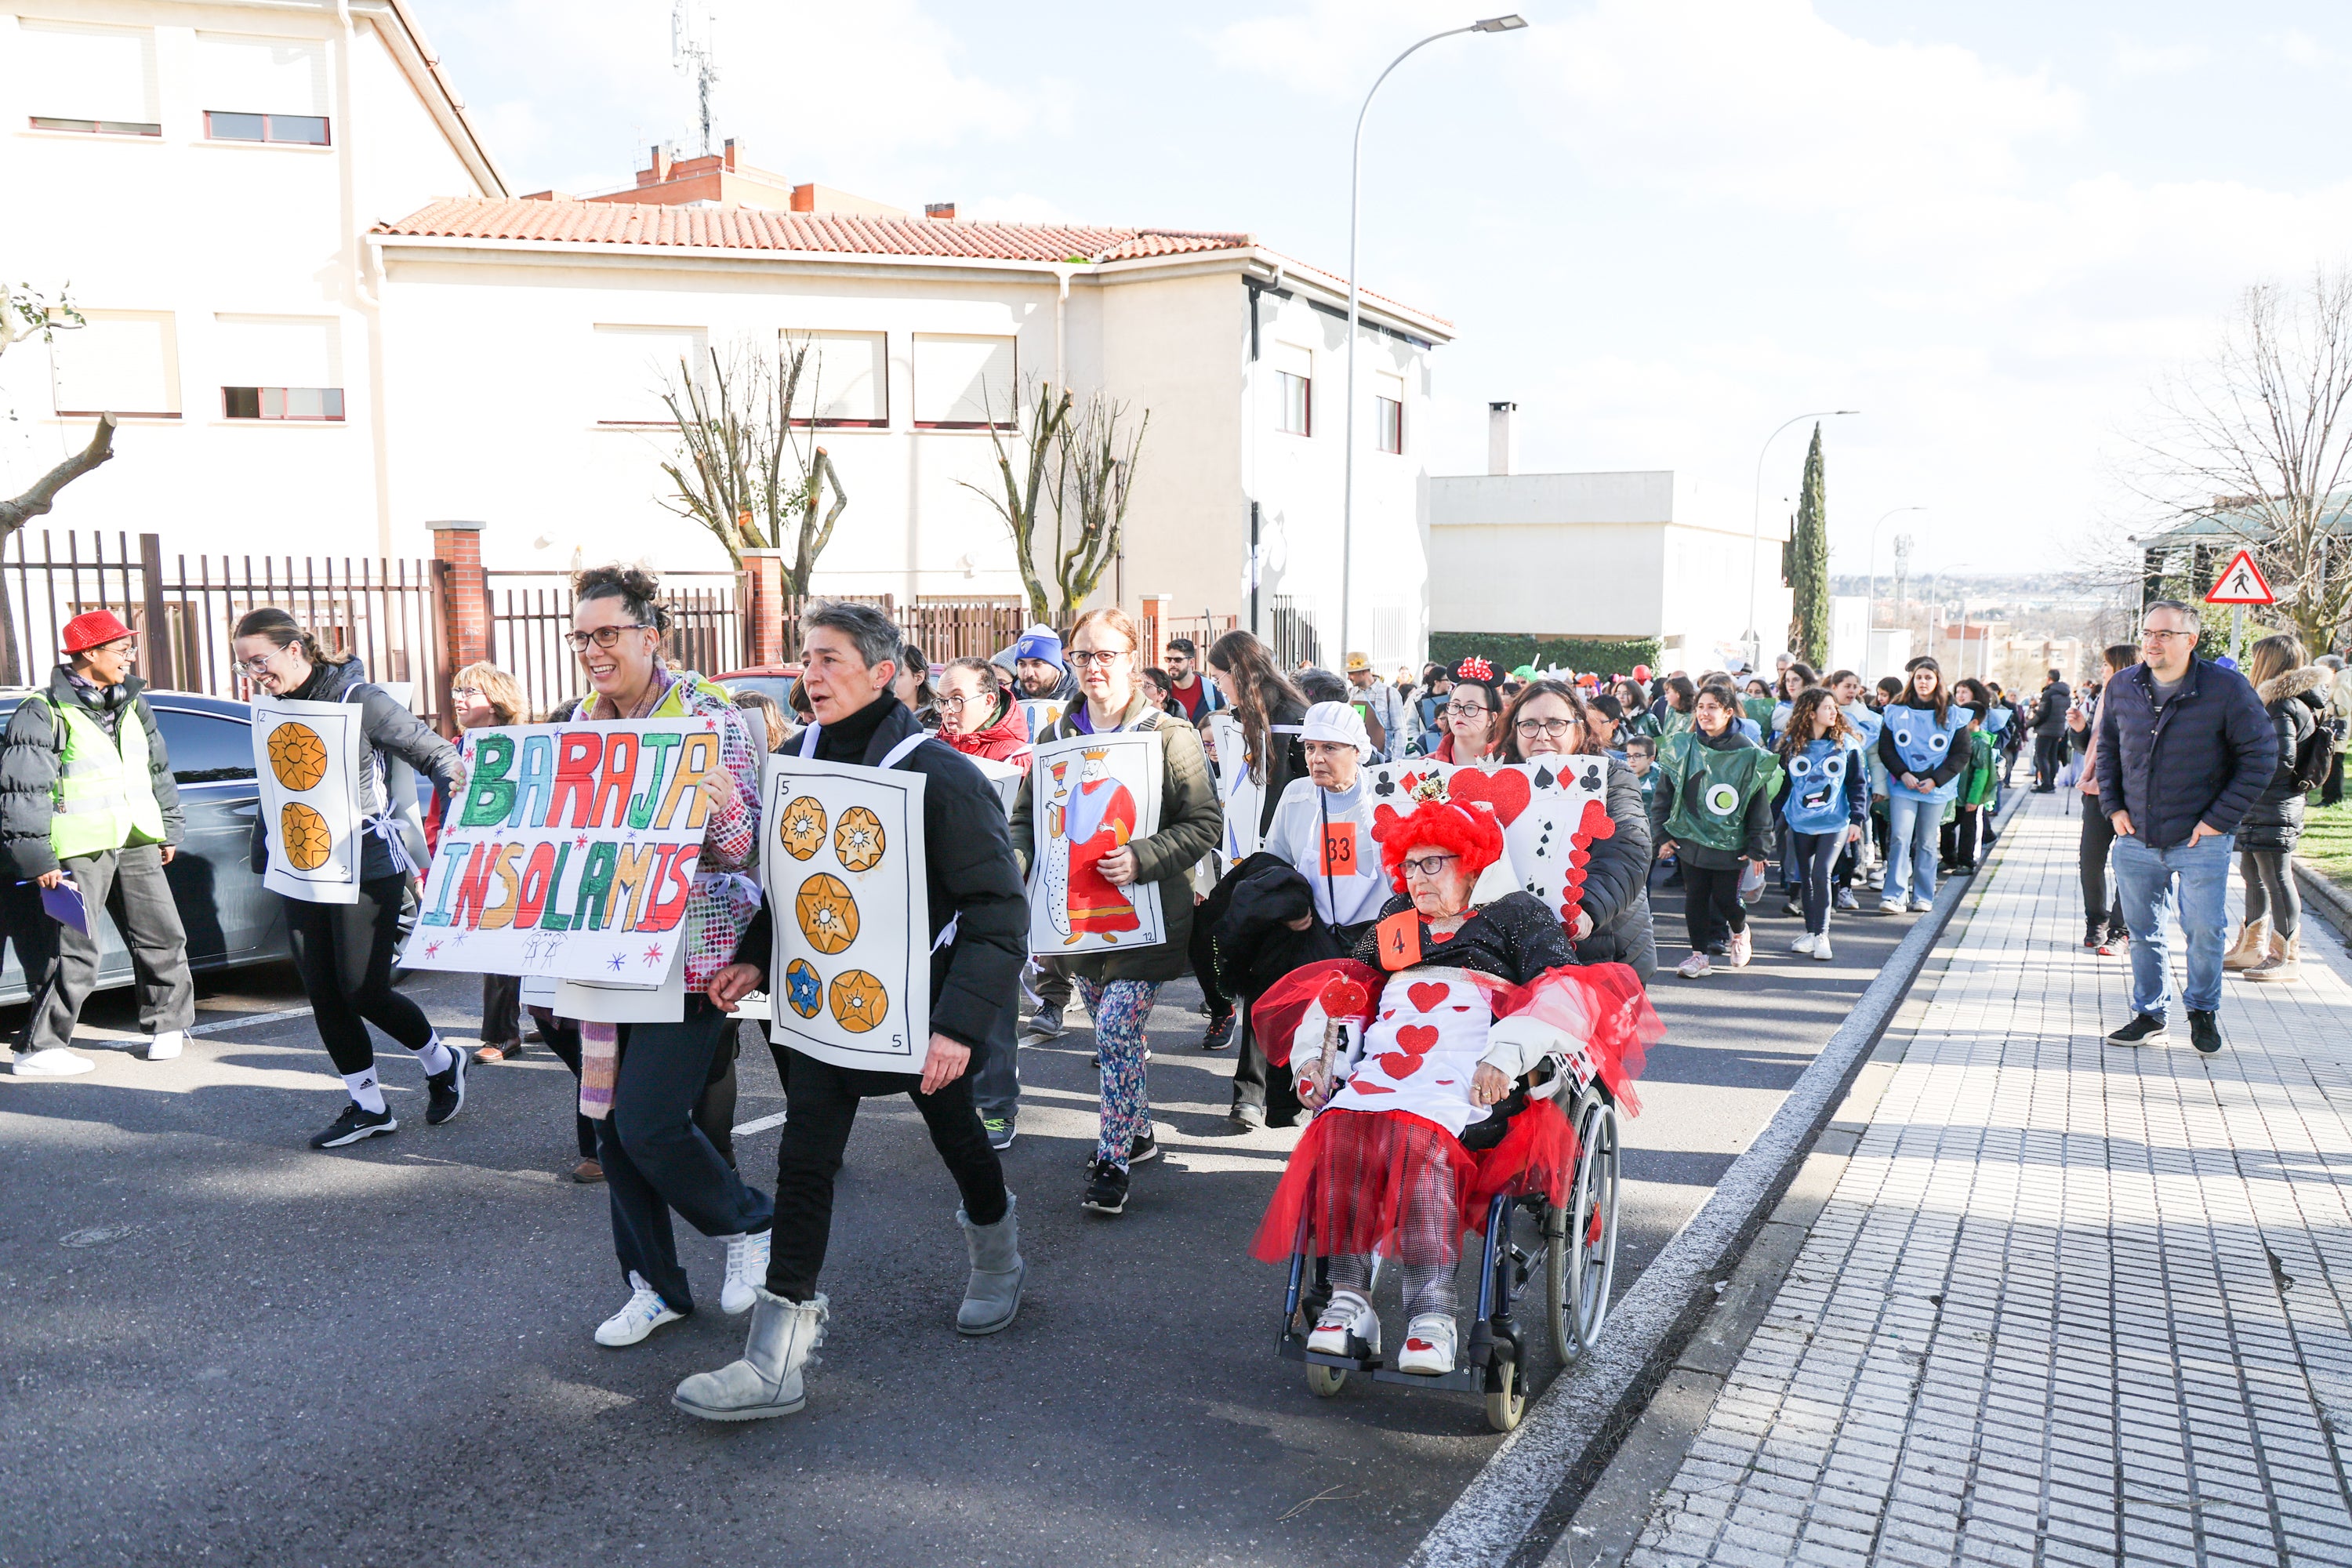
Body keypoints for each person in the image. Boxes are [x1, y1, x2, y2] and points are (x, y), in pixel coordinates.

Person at [678, 600, 1030, 1422]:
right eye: (807, 658)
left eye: (830, 659)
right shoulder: (792, 755)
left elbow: (998, 909)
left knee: (958, 1136)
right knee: (803, 1160)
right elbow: (794, 883)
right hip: (822, 1010)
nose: (811, 673)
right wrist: (756, 956)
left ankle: (997, 1253)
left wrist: (957, 1025)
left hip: (921, 1009)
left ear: (882, 673)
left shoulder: (943, 774)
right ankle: (777, 1357)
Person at [1247, 779, 1657, 1375]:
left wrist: (1507, 1055)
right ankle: (1348, 1301)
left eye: (1433, 864)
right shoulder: (1396, 918)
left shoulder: (1518, 914)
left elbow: (1565, 993)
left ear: (1472, 864)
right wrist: (1317, 1053)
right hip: (1390, 1062)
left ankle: (1430, 1315)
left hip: (1474, 1069)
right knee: (1336, 1129)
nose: (1417, 879)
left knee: (1417, 1137)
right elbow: (1346, 991)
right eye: (1409, 866)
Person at [230, 608, 469, 1146]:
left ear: (296, 649)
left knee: (363, 989)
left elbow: (431, 749)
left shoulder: (357, 698)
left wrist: (453, 775)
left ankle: (442, 1060)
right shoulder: (271, 705)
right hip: (300, 863)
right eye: (245, 666)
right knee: (322, 991)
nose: (254, 675)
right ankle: (369, 1105)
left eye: (260, 661)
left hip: (364, 862)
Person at [1011, 607, 1221, 1211]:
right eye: (1083, 656)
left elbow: (1206, 822)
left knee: (1113, 1030)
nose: (1094, 667)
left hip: (1148, 917)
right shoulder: (1055, 739)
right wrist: (1019, 858)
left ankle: (1112, 1160)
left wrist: (1145, 856)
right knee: (1117, 1037)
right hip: (1078, 920)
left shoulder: (1167, 735)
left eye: (1106, 655)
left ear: (1132, 658)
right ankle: (1141, 1129)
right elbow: (1028, 817)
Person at [2, 609, 194, 1076]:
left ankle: (168, 1023)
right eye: (121, 649)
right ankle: (40, 1048)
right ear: (90, 653)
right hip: (78, 846)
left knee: (162, 934)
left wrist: (167, 827)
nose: (129, 657)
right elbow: (24, 789)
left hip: (135, 838)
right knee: (76, 947)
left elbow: (156, 770)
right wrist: (38, 857)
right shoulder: (44, 709)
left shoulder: (132, 702)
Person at [2096, 600, 2278, 1055]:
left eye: (2164, 635)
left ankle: (2202, 1010)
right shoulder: (2123, 685)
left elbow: (2260, 758)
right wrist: (2113, 807)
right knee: (2142, 931)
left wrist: (2218, 821)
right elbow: (2108, 751)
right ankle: (2150, 1014)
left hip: (2201, 839)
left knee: (2204, 930)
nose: (2152, 643)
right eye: (2148, 634)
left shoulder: (2226, 689)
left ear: (2190, 640)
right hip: (2135, 837)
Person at [936, 655, 1033, 1148]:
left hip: (994, 901)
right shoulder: (933, 748)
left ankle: (998, 1106)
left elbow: (1029, 831)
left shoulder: (1021, 756)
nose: (947, 711)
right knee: (942, 1005)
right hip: (939, 901)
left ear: (989, 700)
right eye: (941, 701)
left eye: (957, 700)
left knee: (993, 1009)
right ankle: (954, 1105)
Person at [1203, 630, 1311, 1068]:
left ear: (1239, 671)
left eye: (1219, 677)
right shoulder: (1238, 716)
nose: (1217, 687)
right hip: (1245, 855)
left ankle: (1260, 1081)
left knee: (1275, 969)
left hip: (1287, 859)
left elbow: (1304, 788)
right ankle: (1253, 1080)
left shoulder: (1294, 716)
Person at [1501, 678, 1656, 979]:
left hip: (1606, 943)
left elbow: (1628, 849)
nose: (1542, 736)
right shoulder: (1500, 780)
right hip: (1521, 950)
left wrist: (1586, 908)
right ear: (1515, 730)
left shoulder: (1613, 776)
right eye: (1529, 724)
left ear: (1579, 727)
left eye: (1556, 723)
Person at [441, 660, 539, 1067]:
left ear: (497, 702)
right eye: (457, 691)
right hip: (479, 857)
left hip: (525, 855)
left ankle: (551, 1019)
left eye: (470, 692)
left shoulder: (528, 743)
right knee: (496, 946)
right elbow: (440, 811)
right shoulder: (456, 747)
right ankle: (501, 1033)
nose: (459, 699)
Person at [1652, 684, 1778, 978]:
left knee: (1726, 899)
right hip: (1690, 838)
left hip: (1731, 842)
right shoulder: (1683, 747)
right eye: (1700, 707)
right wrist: (1661, 833)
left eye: (1712, 707)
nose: (1704, 713)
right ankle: (1699, 955)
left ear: (1728, 712)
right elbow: (1665, 794)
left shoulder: (1747, 752)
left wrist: (1759, 844)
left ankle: (1739, 930)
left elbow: (1758, 804)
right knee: (1695, 896)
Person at [2228, 633, 2326, 985]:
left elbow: (2280, 760)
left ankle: (2286, 955)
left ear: (2266, 662)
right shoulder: (2283, 702)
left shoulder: (2281, 705)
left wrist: (2241, 772)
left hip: (2274, 803)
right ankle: (2252, 947)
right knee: (2252, 873)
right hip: (2264, 804)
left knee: (2276, 877)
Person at [1776, 688, 1865, 961]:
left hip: (1835, 821)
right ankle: (1811, 932)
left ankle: (1823, 934)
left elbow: (1857, 784)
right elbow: (1782, 787)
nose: (1834, 712)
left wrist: (1857, 820)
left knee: (1822, 874)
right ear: (1811, 713)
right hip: (1800, 821)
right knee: (1806, 878)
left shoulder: (1846, 746)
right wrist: (1771, 819)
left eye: (1834, 707)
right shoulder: (1791, 745)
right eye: (1828, 707)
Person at [1877, 658, 1969, 915]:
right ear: (1912, 680)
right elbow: (1886, 747)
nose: (1923, 682)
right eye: (1919, 677)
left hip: (1935, 789)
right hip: (1904, 785)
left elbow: (1961, 753)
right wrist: (1902, 772)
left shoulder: (1952, 714)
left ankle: (1923, 895)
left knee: (1928, 842)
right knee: (1899, 838)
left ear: (1938, 680)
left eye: (1928, 677)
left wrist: (1936, 779)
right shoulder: (1896, 710)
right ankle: (1894, 895)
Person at [2074, 644, 2136, 953]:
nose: (2102, 670)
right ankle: (2096, 921)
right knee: (2090, 861)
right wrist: (2079, 729)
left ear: (2122, 666)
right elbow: (2093, 746)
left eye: (2107, 665)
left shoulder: (2140, 697)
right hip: (2097, 791)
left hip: (2132, 795)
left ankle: (2121, 931)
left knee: (2128, 864)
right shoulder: (2102, 698)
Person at [1938, 679, 1998, 875]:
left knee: (1968, 830)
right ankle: (1948, 858)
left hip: (1968, 797)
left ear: (1974, 722)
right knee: (1947, 827)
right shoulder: (1959, 738)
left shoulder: (1980, 742)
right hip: (1954, 794)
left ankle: (1966, 862)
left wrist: (1974, 799)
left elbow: (1982, 773)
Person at [1428, 658, 1503, 763]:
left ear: (1491, 718)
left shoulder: (1512, 765)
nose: (1460, 713)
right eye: (1455, 705)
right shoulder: (1424, 768)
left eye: (1471, 707)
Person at [1345, 652, 1404, 761]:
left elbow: (1400, 730)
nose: (1349, 677)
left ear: (1363, 672)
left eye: (1351, 673)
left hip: (1384, 759)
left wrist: (1396, 762)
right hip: (1358, 759)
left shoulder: (1389, 693)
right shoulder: (1351, 693)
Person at [1161, 636, 1225, 724]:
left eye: (1178, 660)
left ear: (1191, 662)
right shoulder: (1162, 691)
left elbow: (1224, 721)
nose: (1172, 664)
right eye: (1169, 660)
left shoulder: (1210, 689)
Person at [2317, 652, 2350, 807]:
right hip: (2334, 728)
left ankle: (2332, 798)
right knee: (2331, 762)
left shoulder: (2340, 681)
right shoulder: (2340, 679)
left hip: (2337, 728)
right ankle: (2329, 797)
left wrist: (2325, 705)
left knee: (2335, 763)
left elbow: (2343, 708)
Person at [2031, 667, 2072, 790]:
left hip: (2045, 730)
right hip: (2058, 730)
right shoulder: (2066, 694)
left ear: (2048, 679)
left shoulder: (2049, 693)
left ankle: (2046, 784)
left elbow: (2042, 714)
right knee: (2053, 757)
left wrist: (2029, 723)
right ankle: (2051, 783)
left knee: (2041, 756)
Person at [892, 642, 938, 728]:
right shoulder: (877, 717)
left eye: (898, 674)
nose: (889, 681)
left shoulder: (941, 718)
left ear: (918, 678)